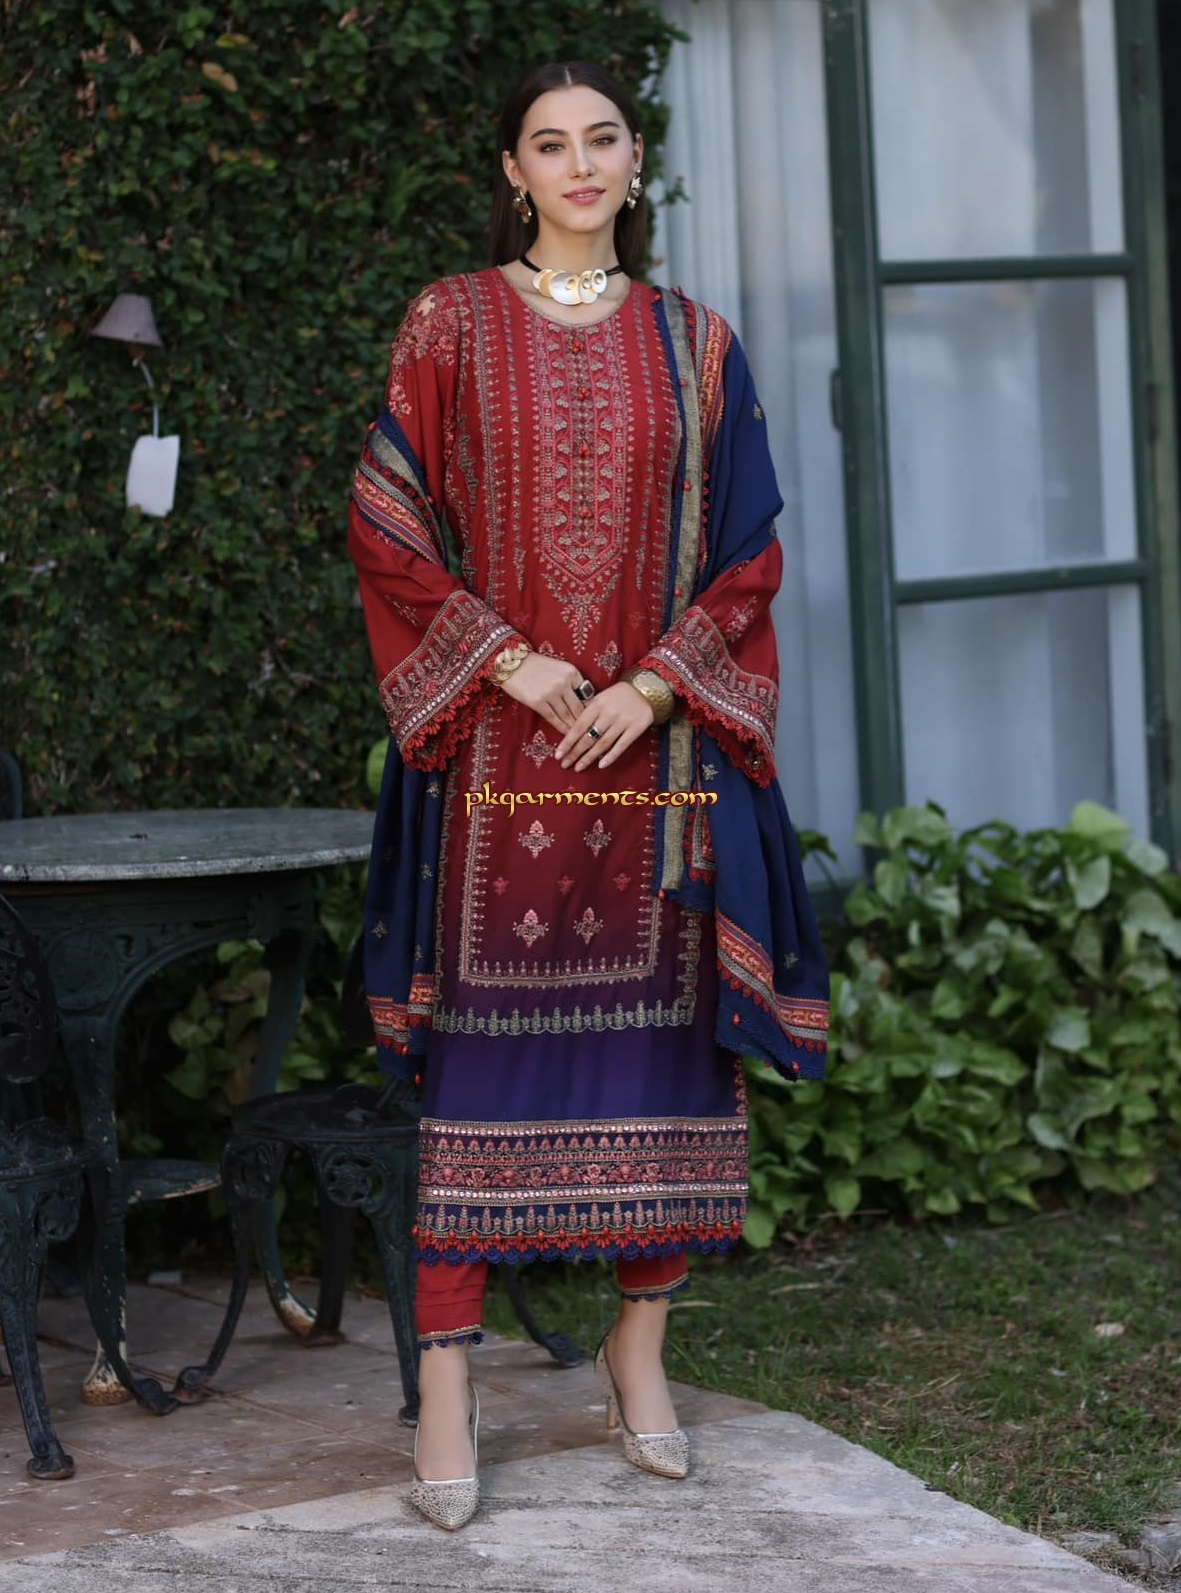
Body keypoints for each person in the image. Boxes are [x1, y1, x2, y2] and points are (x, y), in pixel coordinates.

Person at [347, 60, 829, 1531]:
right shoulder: (449, 321)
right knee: (475, 1072)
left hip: (656, 774)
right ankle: (445, 1383)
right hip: (500, 772)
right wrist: (506, 660)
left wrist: (661, 684)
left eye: (601, 139)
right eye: (548, 144)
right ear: (512, 170)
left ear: (632, 160)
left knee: (663, 1059)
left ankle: (638, 1352)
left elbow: (748, 551)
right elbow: (385, 519)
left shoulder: (697, 343)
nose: (577, 165)